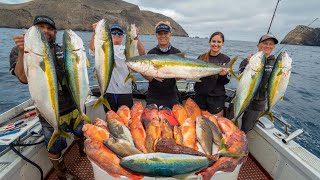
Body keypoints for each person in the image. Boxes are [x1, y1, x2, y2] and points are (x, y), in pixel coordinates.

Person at [10, 15, 84, 180]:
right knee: (54, 146)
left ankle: (82, 150)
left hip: (73, 106)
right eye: (40, 27)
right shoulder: (20, 51)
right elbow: (22, 77)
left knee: (80, 131)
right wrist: (23, 52)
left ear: (55, 32)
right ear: (32, 31)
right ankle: (62, 172)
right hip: (47, 111)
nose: (45, 31)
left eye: (49, 28)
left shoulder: (61, 49)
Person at [89, 22, 145, 112]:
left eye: (119, 33)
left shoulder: (126, 48)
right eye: (113, 33)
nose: (116, 35)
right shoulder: (104, 48)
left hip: (125, 91)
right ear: (109, 35)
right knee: (110, 118)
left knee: (126, 120)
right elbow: (92, 50)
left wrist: (136, 37)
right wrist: (95, 33)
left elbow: (142, 54)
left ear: (123, 36)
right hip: (108, 91)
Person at [238, 33, 279, 133]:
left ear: (274, 47)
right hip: (241, 97)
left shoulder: (276, 64)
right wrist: (249, 65)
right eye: (265, 43)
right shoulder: (248, 60)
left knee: (246, 129)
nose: (268, 46)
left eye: (271, 44)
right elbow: (240, 78)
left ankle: (240, 145)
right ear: (258, 45)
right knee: (231, 123)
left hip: (258, 103)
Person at [142, 21, 182, 109]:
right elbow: (150, 78)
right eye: (160, 33)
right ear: (156, 35)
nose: (163, 36)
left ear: (170, 34)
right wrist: (141, 70)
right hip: (153, 96)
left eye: (165, 33)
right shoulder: (151, 53)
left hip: (171, 96)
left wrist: (183, 74)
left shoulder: (177, 53)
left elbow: (178, 78)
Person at [194, 32, 230, 118]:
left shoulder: (226, 59)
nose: (216, 44)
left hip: (216, 98)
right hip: (200, 96)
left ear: (222, 43)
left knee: (215, 124)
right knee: (200, 123)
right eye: (214, 41)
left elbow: (226, 81)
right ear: (210, 42)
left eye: (219, 42)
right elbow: (196, 75)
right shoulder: (201, 57)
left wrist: (223, 75)